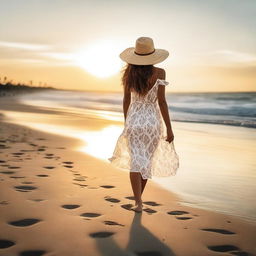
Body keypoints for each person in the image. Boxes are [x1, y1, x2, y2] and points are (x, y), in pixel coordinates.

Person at [108, 37, 179, 213]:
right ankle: (140, 199)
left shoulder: (128, 74)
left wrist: (127, 123)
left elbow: (126, 100)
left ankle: (138, 202)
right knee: (146, 163)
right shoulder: (160, 73)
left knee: (135, 162)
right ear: (153, 55)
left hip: (134, 120)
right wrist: (169, 128)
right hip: (153, 122)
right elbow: (161, 102)